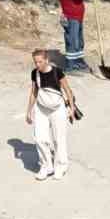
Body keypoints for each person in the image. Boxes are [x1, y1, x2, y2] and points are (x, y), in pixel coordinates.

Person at [25, 48, 76, 180]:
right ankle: (46, 166)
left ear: (46, 60)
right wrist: (29, 111)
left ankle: (61, 166)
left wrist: (71, 108)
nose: (38, 65)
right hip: (41, 108)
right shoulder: (34, 74)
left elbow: (68, 90)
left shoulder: (57, 72)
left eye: (40, 62)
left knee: (58, 139)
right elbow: (34, 92)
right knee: (40, 138)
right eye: (35, 62)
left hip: (57, 109)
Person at [57, 0, 91, 75]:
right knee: (72, 41)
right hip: (70, 18)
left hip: (77, 18)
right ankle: (70, 67)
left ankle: (78, 62)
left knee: (79, 41)